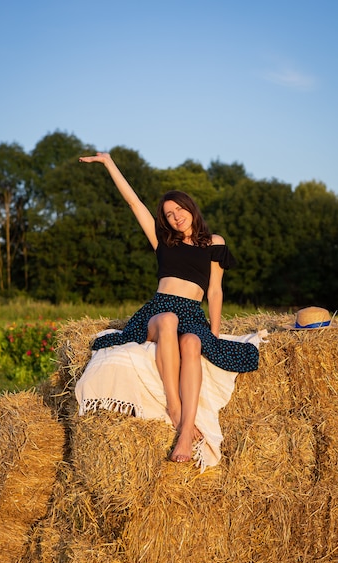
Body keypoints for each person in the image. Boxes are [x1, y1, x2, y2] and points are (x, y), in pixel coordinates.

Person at [79, 152, 259, 463]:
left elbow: (215, 291)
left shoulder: (214, 242)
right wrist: (109, 163)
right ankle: (174, 407)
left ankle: (186, 432)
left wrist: (212, 335)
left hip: (193, 314)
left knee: (191, 342)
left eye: (179, 209)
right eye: (169, 214)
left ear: (190, 209)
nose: (176, 216)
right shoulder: (163, 242)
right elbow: (135, 204)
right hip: (158, 312)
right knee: (168, 319)